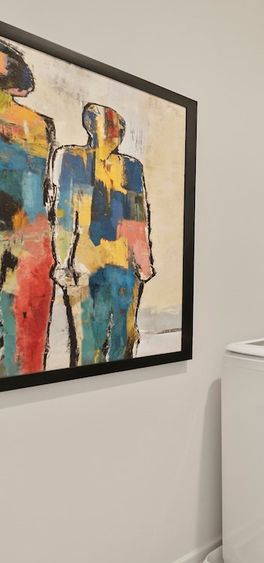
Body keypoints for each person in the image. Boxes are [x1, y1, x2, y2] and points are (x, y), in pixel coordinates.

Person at [51, 103, 155, 365]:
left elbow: (137, 218)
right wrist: (62, 262)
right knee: (88, 346)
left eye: (118, 125)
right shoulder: (72, 158)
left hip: (123, 266)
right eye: (109, 124)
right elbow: (63, 213)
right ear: (90, 127)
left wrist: (143, 262)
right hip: (85, 265)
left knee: (125, 339)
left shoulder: (131, 167)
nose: (115, 131)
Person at [0, 40, 55, 375]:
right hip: (29, 238)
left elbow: (44, 187)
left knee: (24, 352)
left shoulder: (40, 125)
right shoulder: (39, 125)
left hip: (30, 240)